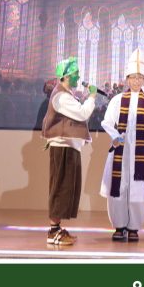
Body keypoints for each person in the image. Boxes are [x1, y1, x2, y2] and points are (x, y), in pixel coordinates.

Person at [100, 49, 144, 242]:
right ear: (127, 79)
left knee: (137, 189)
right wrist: (115, 135)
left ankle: (134, 227)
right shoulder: (117, 100)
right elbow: (106, 122)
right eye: (133, 77)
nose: (136, 81)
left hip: (139, 152)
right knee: (119, 187)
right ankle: (119, 226)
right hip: (121, 151)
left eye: (139, 78)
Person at [41, 56, 97, 246]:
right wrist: (92, 97)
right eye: (75, 74)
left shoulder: (67, 94)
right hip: (62, 147)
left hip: (69, 147)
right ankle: (53, 231)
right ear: (65, 76)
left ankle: (57, 228)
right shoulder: (61, 96)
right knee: (60, 187)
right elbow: (82, 113)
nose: (78, 77)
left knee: (67, 189)